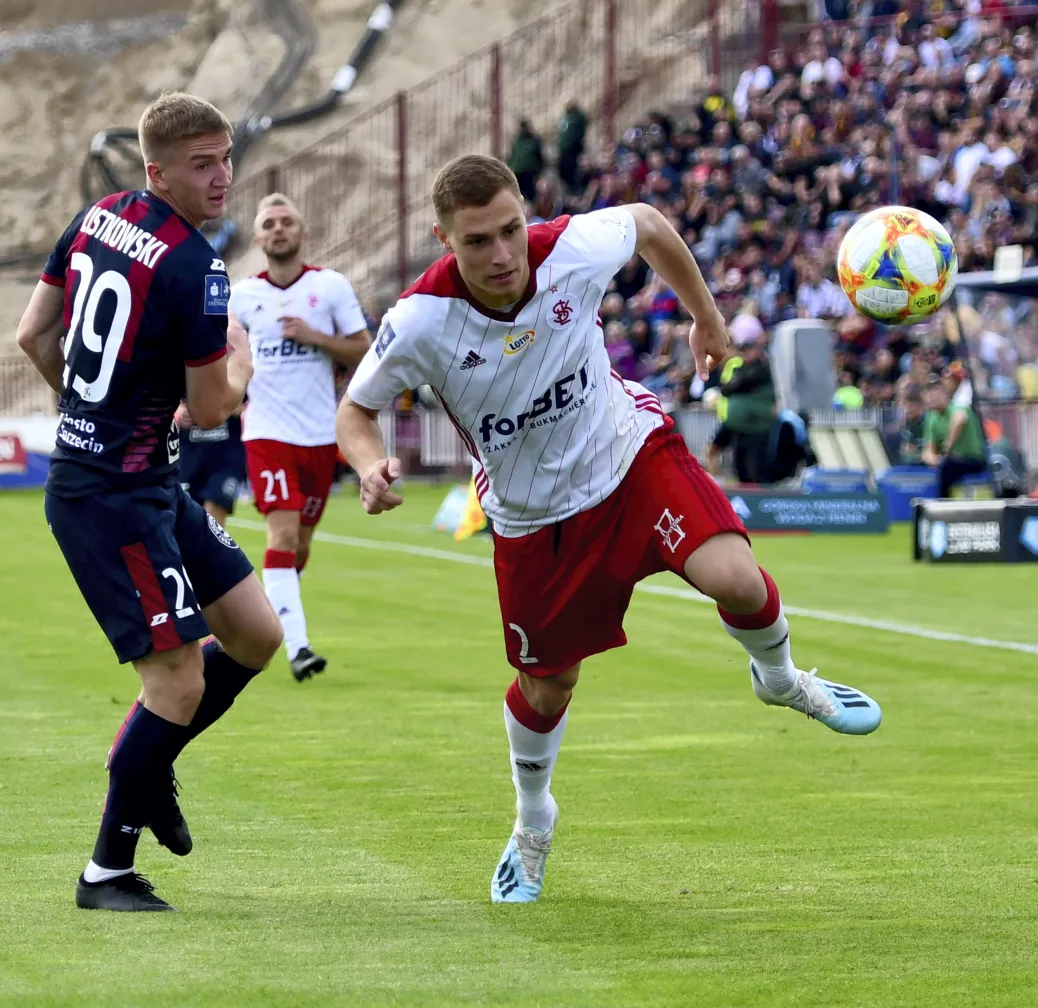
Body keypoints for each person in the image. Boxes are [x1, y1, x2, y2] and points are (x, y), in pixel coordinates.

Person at [335, 154, 881, 904]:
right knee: (549, 684)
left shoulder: (571, 247)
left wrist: (707, 319)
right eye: (477, 242)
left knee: (736, 579)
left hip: (629, 454)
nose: (501, 256)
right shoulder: (421, 319)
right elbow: (354, 412)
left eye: (510, 231)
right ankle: (533, 822)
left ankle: (782, 679)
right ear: (444, 239)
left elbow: (652, 226)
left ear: (526, 213)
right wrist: (368, 466)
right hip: (533, 515)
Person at [13, 92, 283, 912]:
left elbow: (31, 334)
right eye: (203, 164)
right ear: (157, 171)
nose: (223, 177)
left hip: (143, 482)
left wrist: (86, 411)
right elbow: (209, 409)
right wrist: (242, 362)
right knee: (175, 685)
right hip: (111, 501)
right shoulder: (195, 267)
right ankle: (106, 871)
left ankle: (148, 763)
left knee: (256, 633)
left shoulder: (97, 216)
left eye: (228, 156)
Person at [227, 193, 372, 682]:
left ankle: (263, 619)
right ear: (258, 237)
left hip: (318, 436)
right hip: (266, 432)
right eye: (269, 223)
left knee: (300, 546)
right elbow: (223, 354)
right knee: (283, 533)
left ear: (301, 232)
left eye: (287, 221)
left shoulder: (329, 286)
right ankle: (297, 647)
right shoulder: (243, 297)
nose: (278, 229)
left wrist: (317, 338)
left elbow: (363, 351)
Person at [707, 329, 776, 484]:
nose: (746, 354)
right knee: (740, 464)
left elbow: (742, 383)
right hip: (739, 425)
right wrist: (735, 386)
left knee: (756, 465)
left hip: (757, 425)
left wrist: (735, 386)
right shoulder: (739, 368)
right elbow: (726, 389)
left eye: (749, 350)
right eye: (743, 351)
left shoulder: (761, 368)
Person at [177, 407, 245, 526]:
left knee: (214, 509)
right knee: (185, 516)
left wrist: (230, 405)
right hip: (189, 452)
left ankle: (210, 544)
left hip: (227, 453)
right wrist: (178, 409)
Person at [921, 376, 988, 497]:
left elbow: (960, 419)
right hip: (949, 461)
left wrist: (947, 448)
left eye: (935, 391)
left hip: (973, 459)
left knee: (948, 466)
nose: (931, 396)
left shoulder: (958, 407)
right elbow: (928, 449)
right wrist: (932, 459)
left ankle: (943, 503)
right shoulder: (932, 418)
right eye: (928, 392)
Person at [507, 119, 544, 206]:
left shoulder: (534, 141)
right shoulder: (516, 141)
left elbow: (540, 157)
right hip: (517, 172)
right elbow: (512, 156)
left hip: (530, 172)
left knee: (530, 195)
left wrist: (539, 172)